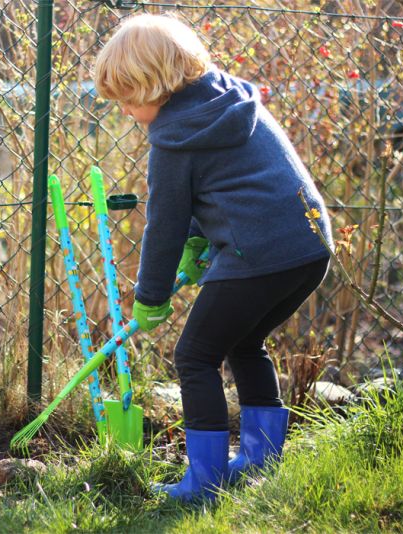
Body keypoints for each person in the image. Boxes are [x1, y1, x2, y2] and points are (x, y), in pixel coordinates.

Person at [94, 13, 333, 502]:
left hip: (259, 253)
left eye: (125, 99)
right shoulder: (231, 99)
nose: (123, 111)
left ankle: (204, 482)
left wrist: (150, 296)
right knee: (245, 344)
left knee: (195, 355)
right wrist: (202, 239)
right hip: (308, 245)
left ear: (149, 86)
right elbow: (238, 181)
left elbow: (163, 225)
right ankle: (260, 463)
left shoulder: (172, 139)